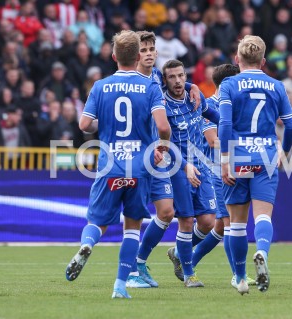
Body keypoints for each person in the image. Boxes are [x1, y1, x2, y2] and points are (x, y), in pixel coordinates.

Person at [65, 30, 171, 299]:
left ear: (114, 56)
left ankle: (87, 245)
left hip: (110, 164)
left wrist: (108, 123)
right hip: (139, 166)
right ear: (137, 57)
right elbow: (163, 127)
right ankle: (120, 286)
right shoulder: (149, 87)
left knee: (96, 220)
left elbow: (84, 125)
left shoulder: (100, 86)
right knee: (132, 227)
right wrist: (160, 147)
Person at [219, 35, 292, 295]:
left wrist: (226, 159)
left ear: (237, 59)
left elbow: (226, 124)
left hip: (238, 156)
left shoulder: (229, 84)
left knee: (237, 224)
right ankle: (262, 252)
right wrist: (283, 153)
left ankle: (240, 279)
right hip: (265, 156)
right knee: (263, 216)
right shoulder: (276, 85)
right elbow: (291, 126)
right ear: (263, 61)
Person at [125, 30, 202, 289]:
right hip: (134, 154)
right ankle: (125, 270)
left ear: (156, 53)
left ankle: (139, 262)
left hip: (159, 155)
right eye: (142, 50)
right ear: (134, 54)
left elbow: (177, 82)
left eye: (150, 50)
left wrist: (193, 87)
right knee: (130, 212)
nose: (147, 54)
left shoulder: (158, 77)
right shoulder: (128, 80)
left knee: (167, 212)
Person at [193, 63, 256, 289]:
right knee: (230, 223)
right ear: (228, 83)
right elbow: (211, 139)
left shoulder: (234, 104)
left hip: (235, 167)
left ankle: (186, 259)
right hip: (217, 170)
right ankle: (237, 274)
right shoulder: (209, 105)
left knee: (220, 226)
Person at [161, 59, 220, 288]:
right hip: (178, 167)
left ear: (186, 77)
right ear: (165, 80)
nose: (177, 81)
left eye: (181, 76)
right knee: (185, 220)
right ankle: (189, 274)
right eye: (172, 77)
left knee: (207, 222)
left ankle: (177, 251)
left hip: (202, 165)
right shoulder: (162, 106)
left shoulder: (195, 97)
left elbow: (213, 115)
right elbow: (163, 141)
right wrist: (185, 165)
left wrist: (233, 126)